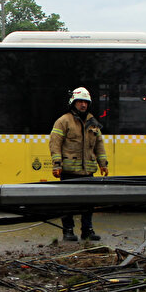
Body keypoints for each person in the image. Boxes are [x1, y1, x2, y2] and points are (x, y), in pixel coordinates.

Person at [49, 87, 108, 242]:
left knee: (88, 203)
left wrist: (103, 164)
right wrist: (57, 165)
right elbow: (55, 144)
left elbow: (99, 145)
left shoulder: (93, 122)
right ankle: (68, 231)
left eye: (86, 102)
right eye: (80, 101)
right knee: (67, 203)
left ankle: (87, 230)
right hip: (68, 171)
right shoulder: (63, 121)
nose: (83, 105)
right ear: (73, 103)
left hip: (88, 171)